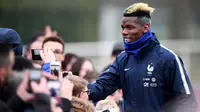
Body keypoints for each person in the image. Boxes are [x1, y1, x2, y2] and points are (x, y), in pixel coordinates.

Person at [88, 2, 196, 112]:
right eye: (123, 27)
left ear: (146, 27)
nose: (124, 32)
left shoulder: (168, 58)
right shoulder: (122, 59)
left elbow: (186, 99)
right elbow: (101, 87)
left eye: (130, 27)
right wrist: (76, 87)